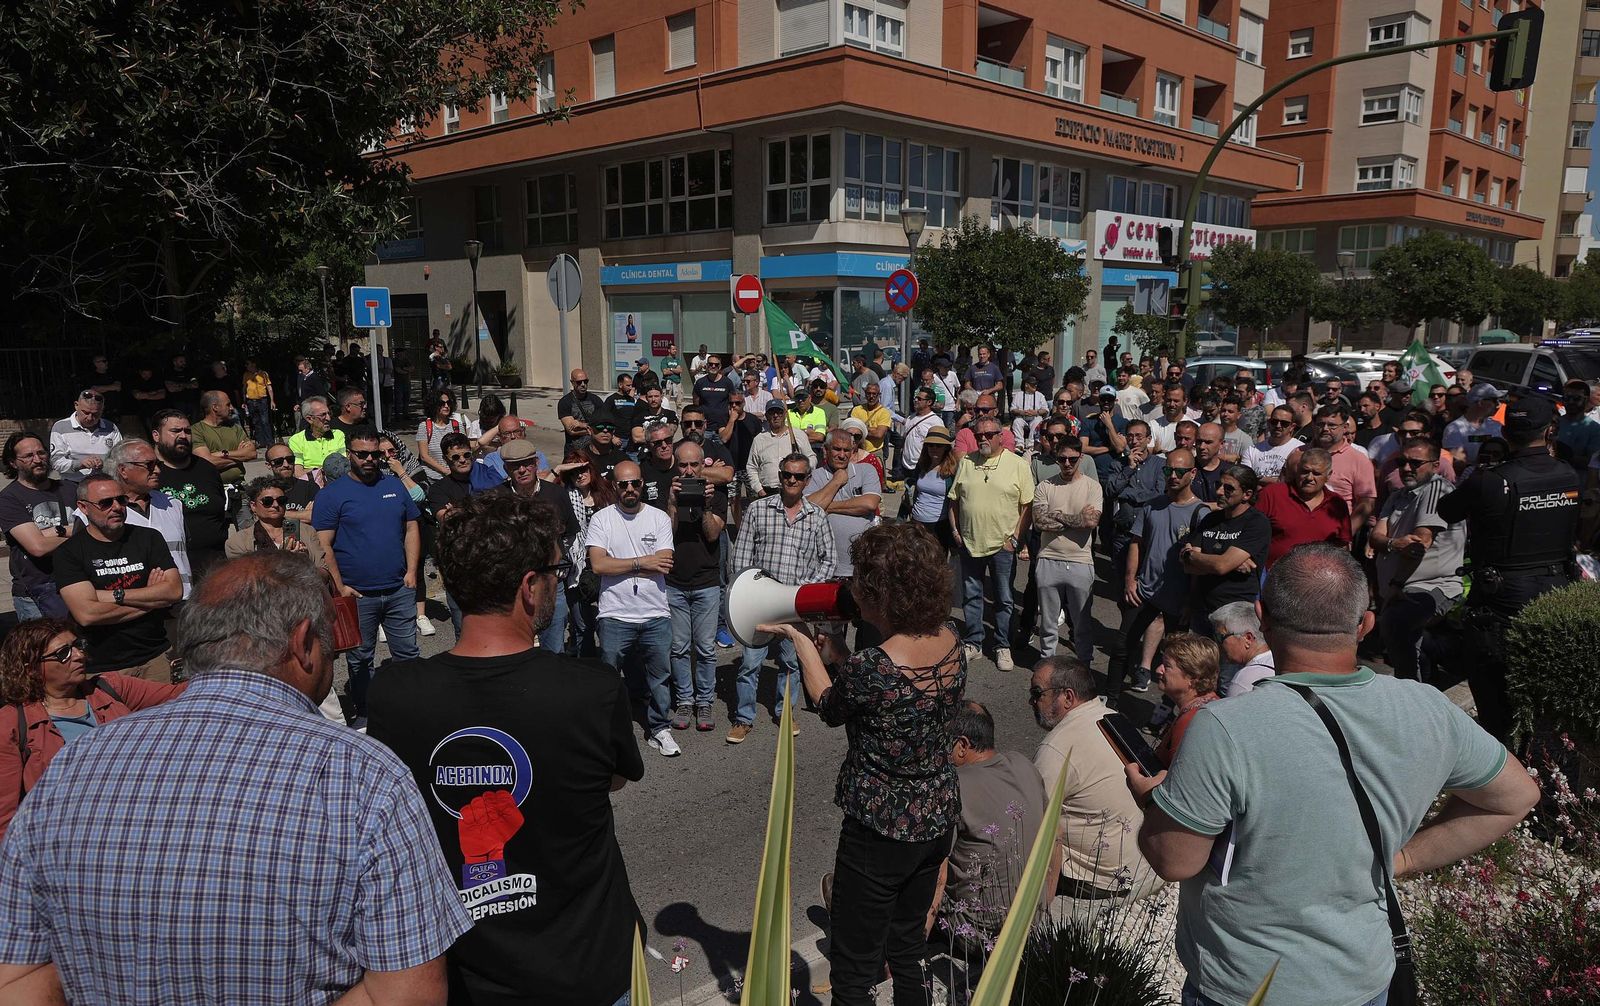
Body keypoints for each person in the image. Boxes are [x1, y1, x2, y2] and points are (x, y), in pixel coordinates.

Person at [1, 551, 473, 1003]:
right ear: (304, 641)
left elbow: (17, 973)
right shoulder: (364, 775)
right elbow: (409, 994)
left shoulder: (73, 765)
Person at [1127, 544, 1540, 1006]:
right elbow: (1516, 795)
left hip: (1248, 985)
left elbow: (1174, 860)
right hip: (1363, 979)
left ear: (1260, 619)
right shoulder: (1427, 708)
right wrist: (1402, 858)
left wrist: (1151, 801)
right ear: (1365, 624)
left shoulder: (1225, 726)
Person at [364, 493, 645, 1006]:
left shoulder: (394, 693)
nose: (559, 582)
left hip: (466, 973)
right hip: (588, 968)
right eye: (556, 571)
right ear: (528, 586)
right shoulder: (592, 689)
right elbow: (615, 778)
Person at [758, 523, 964, 1006]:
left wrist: (802, 642)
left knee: (854, 965)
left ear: (881, 592)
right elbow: (888, 697)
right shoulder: (950, 639)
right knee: (908, 945)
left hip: (880, 828)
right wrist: (841, 654)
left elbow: (830, 705)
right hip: (936, 814)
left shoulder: (875, 666)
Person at [1438, 394, 1578, 741]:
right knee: (1544, 703)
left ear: (1505, 431)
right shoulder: (1568, 474)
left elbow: (1447, 510)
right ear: (1549, 431)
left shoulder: (1488, 480)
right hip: (1556, 595)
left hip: (1499, 604)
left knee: (1496, 708)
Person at [0, 619, 185, 840]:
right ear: (31, 669)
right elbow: (6, 819)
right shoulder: (11, 724)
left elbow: (183, 694)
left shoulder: (109, 688)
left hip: (137, 821)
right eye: (63, 654)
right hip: (71, 839)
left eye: (77, 645)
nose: (78, 655)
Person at [1030, 654, 1161, 902]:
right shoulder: (1113, 718)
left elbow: (1035, 824)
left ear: (1067, 696)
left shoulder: (1057, 749)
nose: (1032, 701)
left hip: (1095, 879)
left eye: (1038, 693)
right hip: (1136, 861)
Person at [312, 426, 421, 723]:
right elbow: (324, 546)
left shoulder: (394, 485)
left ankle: (409, 711)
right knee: (360, 659)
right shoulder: (331, 495)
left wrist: (412, 573)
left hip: (399, 589)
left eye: (375, 454)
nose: (370, 459)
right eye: (362, 454)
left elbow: (411, 527)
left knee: (408, 655)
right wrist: (340, 586)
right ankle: (366, 713)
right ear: (350, 455)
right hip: (357, 595)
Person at [728, 452, 837, 742]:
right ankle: (743, 718)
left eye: (798, 476)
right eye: (787, 474)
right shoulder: (757, 510)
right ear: (779, 477)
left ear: (807, 480)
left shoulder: (817, 516)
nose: (792, 480)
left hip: (793, 607)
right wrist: (744, 594)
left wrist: (803, 590)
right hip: (759, 605)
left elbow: (829, 560)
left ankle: (785, 713)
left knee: (791, 664)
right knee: (750, 663)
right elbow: (741, 556)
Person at [585, 460, 679, 757]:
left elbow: (663, 562)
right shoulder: (601, 519)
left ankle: (660, 728)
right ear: (614, 486)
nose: (629, 489)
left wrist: (622, 565)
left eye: (635, 483)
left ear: (642, 485)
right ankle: (608, 731)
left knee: (660, 677)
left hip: (655, 612)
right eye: (623, 484)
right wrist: (641, 562)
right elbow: (599, 564)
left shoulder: (659, 518)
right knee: (609, 677)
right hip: (615, 613)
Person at [936, 701, 1051, 941]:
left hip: (978, 933)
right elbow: (1055, 836)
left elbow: (938, 874)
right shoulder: (1023, 764)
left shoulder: (953, 785)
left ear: (962, 746)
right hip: (1030, 920)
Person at [53, 474, 183, 682]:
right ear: (83, 508)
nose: (116, 507)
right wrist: (151, 602)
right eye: (105, 503)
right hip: (104, 667)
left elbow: (174, 591)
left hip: (155, 656)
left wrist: (112, 595)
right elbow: (87, 614)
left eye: (121, 500)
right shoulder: (69, 553)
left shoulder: (149, 538)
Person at [1110, 448, 1206, 701]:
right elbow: (1136, 543)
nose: (1173, 475)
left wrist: (1190, 601)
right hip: (1145, 591)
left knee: (1177, 661)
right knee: (1122, 647)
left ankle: (1168, 710)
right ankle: (1110, 698)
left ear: (1193, 473)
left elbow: (1200, 564)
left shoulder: (1201, 513)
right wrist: (1130, 580)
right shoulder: (1152, 506)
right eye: (1168, 470)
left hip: (1178, 599)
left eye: (1180, 471)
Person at [1372, 439, 1465, 682]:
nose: (1406, 468)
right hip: (1400, 588)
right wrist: (1394, 543)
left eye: (1415, 463)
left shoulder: (1437, 489)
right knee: (1402, 639)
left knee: (1397, 624)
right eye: (1402, 462)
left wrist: (1396, 585)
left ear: (1435, 466)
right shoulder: (1398, 496)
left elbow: (1420, 543)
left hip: (1431, 586)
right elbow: (1376, 537)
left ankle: (1417, 693)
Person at [949, 417, 1033, 671]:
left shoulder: (1017, 464)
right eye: (978, 435)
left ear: (1000, 436)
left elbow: (1027, 506)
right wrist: (955, 531)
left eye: (988, 434)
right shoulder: (967, 462)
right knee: (972, 595)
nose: (982, 438)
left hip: (1002, 545)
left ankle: (1002, 645)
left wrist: (1016, 538)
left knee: (1004, 598)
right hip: (970, 542)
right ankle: (974, 641)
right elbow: (954, 499)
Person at [664, 441, 726, 734]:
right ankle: (685, 701)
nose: (688, 471)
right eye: (683, 465)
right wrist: (673, 503)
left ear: (704, 466)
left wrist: (704, 506)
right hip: (674, 582)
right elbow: (666, 534)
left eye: (694, 465)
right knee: (678, 648)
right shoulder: (671, 490)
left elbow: (713, 535)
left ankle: (704, 701)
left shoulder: (717, 493)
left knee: (704, 648)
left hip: (705, 582)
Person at [1029, 437, 1102, 664]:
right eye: (1062, 459)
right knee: (1048, 622)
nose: (1067, 463)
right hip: (1048, 558)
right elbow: (1039, 522)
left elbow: (1091, 521)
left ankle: (1084, 666)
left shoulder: (1092, 486)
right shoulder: (1045, 486)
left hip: (1080, 561)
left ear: (1081, 457)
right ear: (1056, 459)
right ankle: (1046, 664)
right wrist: (1075, 519)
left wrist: (1057, 514)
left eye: (1072, 459)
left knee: (1082, 623)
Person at [1180, 465, 1270, 634]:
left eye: (1229, 488)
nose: (1220, 492)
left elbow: (1220, 566)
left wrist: (1192, 555)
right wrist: (1227, 563)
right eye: (1218, 486)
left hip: (1235, 613)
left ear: (1247, 495)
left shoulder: (1257, 523)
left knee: (1228, 660)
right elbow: (1189, 566)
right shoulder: (1210, 519)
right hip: (1202, 609)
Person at [0, 433, 78, 621]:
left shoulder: (70, 489)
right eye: (28, 456)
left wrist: (56, 532)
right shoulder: (9, 498)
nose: (37, 460)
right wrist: (76, 531)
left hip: (76, 582)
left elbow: (95, 528)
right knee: (45, 648)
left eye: (41, 453)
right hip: (36, 591)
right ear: (13, 463)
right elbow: (38, 547)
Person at [104, 438, 193, 598]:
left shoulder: (173, 504)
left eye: (159, 464)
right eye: (149, 465)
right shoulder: (101, 510)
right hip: (134, 606)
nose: (157, 470)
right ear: (123, 470)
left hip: (183, 601)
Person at [151, 408, 229, 578]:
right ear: (156, 436)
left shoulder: (206, 469)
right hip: (170, 569)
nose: (183, 436)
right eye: (175, 431)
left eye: (187, 431)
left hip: (215, 565)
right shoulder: (151, 474)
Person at [1255, 447, 1351, 568]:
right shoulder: (1272, 494)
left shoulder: (1337, 504)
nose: (1309, 478)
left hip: (1319, 579)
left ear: (1328, 475)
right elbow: (1250, 531)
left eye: (1316, 473)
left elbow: (1342, 546)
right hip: (1274, 576)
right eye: (1305, 471)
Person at [226, 475, 332, 583]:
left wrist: (304, 564)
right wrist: (282, 561)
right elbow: (244, 584)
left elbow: (324, 574)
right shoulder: (238, 542)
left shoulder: (307, 531)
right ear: (253, 506)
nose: (275, 505)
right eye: (267, 501)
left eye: (281, 500)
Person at [807, 429, 882, 580]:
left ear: (852, 451)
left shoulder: (866, 470)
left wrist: (827, 505)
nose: (842, 455)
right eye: (836, 449)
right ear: (825, 450)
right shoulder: (815, 476)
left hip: (863, 567)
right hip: (827, 569)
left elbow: (869, 504)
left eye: (846, 450)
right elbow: (809, 509)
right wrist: (836, 481)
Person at [1151, 633, 1220, 767]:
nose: (1159, 670)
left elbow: (1179, 779)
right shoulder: (1209, 705)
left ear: (1193, 678)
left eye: (1167, 666)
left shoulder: (1193, 721)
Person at [190, 389, 257, 498]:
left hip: (239, 489)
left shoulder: (235, 428)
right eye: (228, 404)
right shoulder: (196, 431)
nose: (231, 408)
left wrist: (223, 454)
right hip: (212, 491)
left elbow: (252, 453)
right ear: (215, 407)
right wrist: (240, 455)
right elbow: (207, 463)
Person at [50, 388, 123, 485]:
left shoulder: (111, 428)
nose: (90, 418)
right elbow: (56, 462)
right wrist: (80, 464)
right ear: (76, 405)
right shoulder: (61, 427)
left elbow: (120, 458)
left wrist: (104, 465)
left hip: (104, 483)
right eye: (86, 412)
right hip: (73, 484)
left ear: (102, 410)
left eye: (95, 414)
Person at [905, 427, 957, 550]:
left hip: (939, 525)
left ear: (946, 448)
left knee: (936, 562)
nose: (934, 449)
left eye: (939, 446)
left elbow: (955, 501)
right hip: (917, 522)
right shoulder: (921, 466)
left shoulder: (952, 471)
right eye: (931, 445)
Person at [1210, 602, 1275, 696]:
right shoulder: (1282, 662)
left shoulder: (1243, 681)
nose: (1218, 644)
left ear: (1248, 638)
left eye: (1221, 637)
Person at [1443, 383, 1506, 466]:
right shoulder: (1454, 429)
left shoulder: (1496, 426)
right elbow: (1458, 464)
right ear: (1480, 402)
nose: (1498, 405)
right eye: (1494, 400)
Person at [287, 395, 345, 480]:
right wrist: (326, 470)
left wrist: (312, 470)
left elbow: (343, 467)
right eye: (323, 415)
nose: (328, 418)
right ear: (310, 419)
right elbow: (298, 473)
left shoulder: (338, 435)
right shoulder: (296, 440)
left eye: (329, 413)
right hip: (310, 486)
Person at [415, 388, 464, 479]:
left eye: (449, 403)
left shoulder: (457, 426)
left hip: (455, 477)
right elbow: (424, 456)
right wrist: (445, 471)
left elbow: (463, 451)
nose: (446, 406)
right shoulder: (424, 426)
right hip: (432, 478)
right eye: (442, 403)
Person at [557, 369, 606, 453]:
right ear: (572, 382)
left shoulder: (596, 400)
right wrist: (595, 429)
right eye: (579, 382)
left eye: (585, 381)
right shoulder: (565, 402)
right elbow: (572, 431)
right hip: (574, 452)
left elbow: (604, 424)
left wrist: (582, 425)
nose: (583, 385)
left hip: (595, 450)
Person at [692, 354, 737, 444]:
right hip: (705, 428)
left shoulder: (727, 382)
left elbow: (733, 401)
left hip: (722, 427)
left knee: (721, 455)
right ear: (707, 366)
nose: (713, 366)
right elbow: (696, 403)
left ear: (720, 366)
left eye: (716, 364)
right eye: (711, 364)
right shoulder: (700, 383)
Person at [951, 394, 1017, 454]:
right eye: (977, 410)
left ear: (995, 411)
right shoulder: (964, 434)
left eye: (985, 410)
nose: (980, 413)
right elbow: (960, 461)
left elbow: (1007, 460)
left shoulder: (1006, 435)